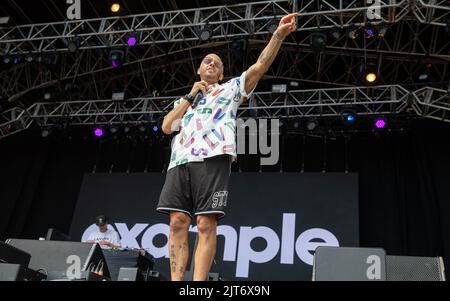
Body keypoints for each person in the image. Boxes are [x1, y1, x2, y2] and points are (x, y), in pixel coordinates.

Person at [157, 12, 299, 281]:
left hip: (213, 157)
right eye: (206, 61)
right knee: (177, 222)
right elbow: (166, 127)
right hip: (180, 161)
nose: (212, 63)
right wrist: (190, 96)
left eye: (217, 63)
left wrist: (278, 35)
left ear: (221, 73)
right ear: (199, 70)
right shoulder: (185, 100)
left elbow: (260, 66)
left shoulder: (231, 88)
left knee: (205, 224)